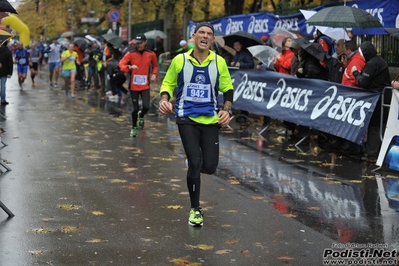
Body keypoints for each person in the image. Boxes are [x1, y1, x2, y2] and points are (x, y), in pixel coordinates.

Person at [158, 22, 233, 227]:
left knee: (209, 167)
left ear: (212, 39)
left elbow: (227, 90)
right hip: (186, 118)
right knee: (195, 163)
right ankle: (195, 209)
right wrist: (165, 99)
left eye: (209, 34)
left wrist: (226, 111)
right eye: (201, 32)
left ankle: (194, 163)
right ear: (194, 36)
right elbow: (168, 84)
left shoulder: (219, 62)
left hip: (210, 119)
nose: (205, 36)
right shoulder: (179, 60)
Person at [352, 41, 391, 163]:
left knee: (374, 126)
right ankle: (374, 153)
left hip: (377, 99)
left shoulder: (372, 64)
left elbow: (364, 82)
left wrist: (355, 73)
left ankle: (372, 156)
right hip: (381, 98)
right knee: (378, 126)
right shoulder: (378, 61)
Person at [118, 33, 159, 137]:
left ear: (145, 42)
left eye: (140, 43)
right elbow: (121, 64)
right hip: (134, 86)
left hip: (145, 85)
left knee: (146, 106)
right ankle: (134, 127)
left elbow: (155, 66)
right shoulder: (130, 53)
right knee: (135, 109)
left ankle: (141, 115)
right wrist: (129, 67)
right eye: (137, 43)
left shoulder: (151, 54)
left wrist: (154, 74)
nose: (138, 45)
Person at [0, 40, 13, 105]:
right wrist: (9, 73)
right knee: (3, 85)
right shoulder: (8, 52)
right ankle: (3, 100)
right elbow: (10, 63)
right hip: (4, 71)